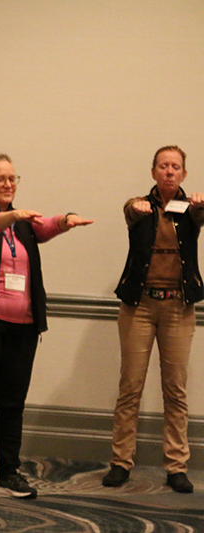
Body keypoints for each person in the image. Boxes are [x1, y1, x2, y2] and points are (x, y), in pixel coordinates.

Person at [0, 154, 92, 500]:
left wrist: (66, 219)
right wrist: (11, 215)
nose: (9, 184)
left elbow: (47, 225)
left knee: (12, 404)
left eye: (13, 178)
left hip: (22, 329)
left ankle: (9, 472)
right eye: (0, 179)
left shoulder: (23, 224)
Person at [103, 145, 203, 494]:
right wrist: (136, 207)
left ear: (184, 174)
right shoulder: (139, 206)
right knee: (130, 387)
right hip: (139, 307)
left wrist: (201, 207)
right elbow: (130, 212)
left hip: (178, 307)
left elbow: (201, 218)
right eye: (163, 166)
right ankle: (120, 462)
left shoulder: (192, 208)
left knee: (175, 391)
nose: (169, 172)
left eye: (176, 167)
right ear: (154, 171)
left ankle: (176, 466)